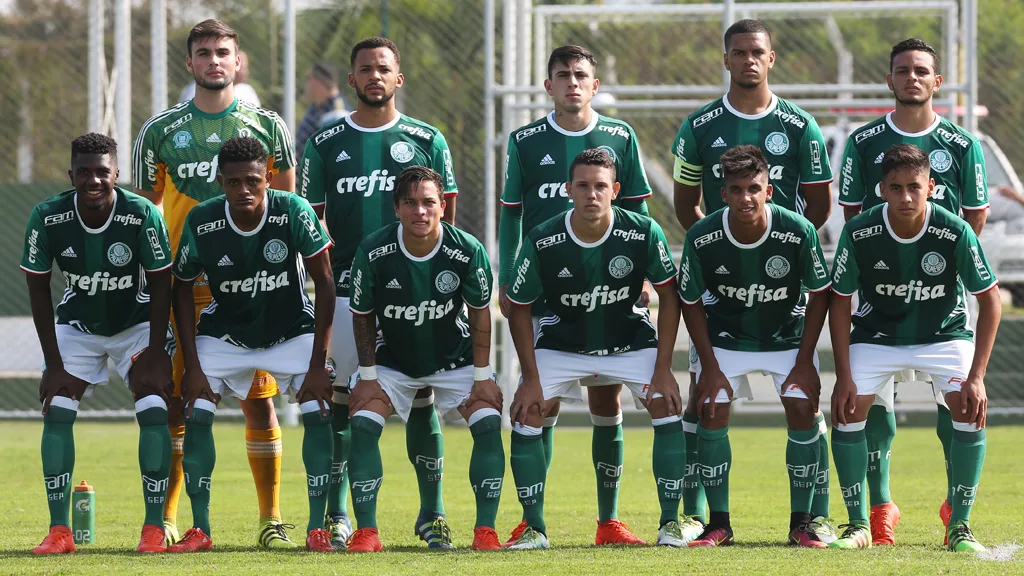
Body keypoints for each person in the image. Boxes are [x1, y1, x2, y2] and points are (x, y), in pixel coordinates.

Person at [133, 19, 298, 549]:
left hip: (252, 288)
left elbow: (288, 209)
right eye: (203, 53)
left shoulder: (268, 127)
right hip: (187, 286)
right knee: (179, 400)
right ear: (190, 63)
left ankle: (270, 521)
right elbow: (144, 213)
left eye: (222, 52)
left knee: (259, 402)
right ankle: (169, 521)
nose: (213, 61)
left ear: (238, 60)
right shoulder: (158, 132)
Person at [670, 18, 835, 542]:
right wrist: (724, 254)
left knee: (804, 403)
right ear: (726, 59)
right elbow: (683, 204)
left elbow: (818, 205)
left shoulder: (800, 125)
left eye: (756, 52)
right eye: (738, 52)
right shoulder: (697, 126)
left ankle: (812, 516)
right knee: (705, 401)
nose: (748, 60)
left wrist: (775, 245)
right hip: (725, 299)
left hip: (782, 292)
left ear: (771, 57)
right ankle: (702, 516)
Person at [299, 36, 459, 549]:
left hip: (415, 296)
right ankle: (340, 515)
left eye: (383, 68)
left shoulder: (427, 138)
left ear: (398, 77)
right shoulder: (325, 142)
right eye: (364, 68)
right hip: (348, 293)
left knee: (421, 396)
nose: (374, 76)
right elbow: (311, 224)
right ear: (351, 79)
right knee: (345, 402)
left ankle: (431, 513)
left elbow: (443, 218)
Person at [497, 44, 654, 547]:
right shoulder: (524, 140)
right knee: (540, 400)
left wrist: (645, 273)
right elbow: (511, 213)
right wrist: (508, 275)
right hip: (547, 288)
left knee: (607, 397)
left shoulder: (620, 135)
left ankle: (609, 520)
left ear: (595, 83)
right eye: (562, 75)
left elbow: (638, 212)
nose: (572, 82)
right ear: (548, 86)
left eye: (581, 74)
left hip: (611, 289)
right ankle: (532, 520)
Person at [836, 38, 991, 545]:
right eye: (903, 70)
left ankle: (958, 511)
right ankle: (877, 509)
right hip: (877, 306)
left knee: (961, 401)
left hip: (940, 306)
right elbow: (854, 219)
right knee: (867, 404)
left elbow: (974, 219)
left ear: (936, 81)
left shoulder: (964, 146)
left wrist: (935, 263)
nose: (912, 78)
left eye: (922, 70)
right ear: (890, 79)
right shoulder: (862, 143)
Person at [506, 149, 685, 550]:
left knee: (667, 403)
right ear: (568, 190)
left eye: (601, 186)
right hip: (562, 342)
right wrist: (531, 378)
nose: (592, 194)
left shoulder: (642, 232)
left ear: (615, 190)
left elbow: (670, 296)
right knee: (527, 408)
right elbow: (518, 307)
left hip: (629, 341)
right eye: (583, 186)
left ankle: (670, 523)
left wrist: (663, 368)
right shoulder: (544, 238)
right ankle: (534, 528)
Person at [168, 136, 336, 553]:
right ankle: (201, 528)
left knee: (317, 410)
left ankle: (317, 528)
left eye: (254, 181)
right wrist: (192, 364)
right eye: (234, 182)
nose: (244, 189)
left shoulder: (293, 211)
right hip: (224, 334)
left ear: (270, 179)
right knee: (198, 411)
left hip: (291, 331)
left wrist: (319, 362)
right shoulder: (203, 220)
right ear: (220, 181)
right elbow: (180, 290)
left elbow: (327, 285)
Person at [24, 133, 174, 554]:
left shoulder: (141, 212)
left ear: (117, 175)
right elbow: (38, 292)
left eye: (102, 172)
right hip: (78, 326)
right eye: (85, 172)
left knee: (154, 405)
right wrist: (53, 364)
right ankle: (59, 530)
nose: (94, 180)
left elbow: (162, 283)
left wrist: (159, 351)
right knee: (57, 407)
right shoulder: (47, 216)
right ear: (71, 175)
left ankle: (152, 527)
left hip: (137, 325)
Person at [344, 166, 503, 553]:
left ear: (443, 205)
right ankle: (366, 531)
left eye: (429, 202)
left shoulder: (466, 249)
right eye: (410, 203)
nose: (420, 211)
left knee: (488, 421)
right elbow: (362, 315)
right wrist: (366, 376)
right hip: (393, 360)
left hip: (455, 359)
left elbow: (481, 312)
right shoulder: (374, 250)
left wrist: (482, 376)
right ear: (396, 208)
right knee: (363, 423)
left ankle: (485, 530)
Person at [295, 62, 348, 159]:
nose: (306, 84)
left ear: (319, 82)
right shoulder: (316, 107)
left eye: (308, 78)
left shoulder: (337, 112)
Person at [179, 50, 261, 106]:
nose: (245, 71)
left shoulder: (247, 90)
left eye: (245, 67)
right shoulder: (196, 90)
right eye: (242, 67)